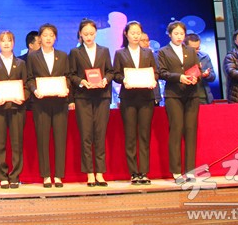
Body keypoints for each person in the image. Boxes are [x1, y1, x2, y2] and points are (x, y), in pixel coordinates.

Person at [112, 21, 158, 185]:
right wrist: (125, 79)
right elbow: (116, 74)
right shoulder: (120, 53)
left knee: (144, 135)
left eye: (138, 33)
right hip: (128, 99)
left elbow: (156, 72)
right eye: (133, 33)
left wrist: (153, 79)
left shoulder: (148, 52)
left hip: (146, 98)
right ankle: (133, 172)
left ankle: (144, 172)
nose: (136, 36)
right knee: (130, 136)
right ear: (126, 34)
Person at [69, 18, 113, 187]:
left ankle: (100, 173)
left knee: (100, 135)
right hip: (83, 97)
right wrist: (81, 81)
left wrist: (105, 80)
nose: (88, 37)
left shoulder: (104, 50)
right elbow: (71, 74)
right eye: (85, 34)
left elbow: (110, 71)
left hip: (102, 96)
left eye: (91, 33)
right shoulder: (75, 52)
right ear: (80, 34)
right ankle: (89, 173)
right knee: (86, 135)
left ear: (96, 34)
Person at [26, 23, 70, 188]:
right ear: (40, 38)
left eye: (51, 35)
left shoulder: (63, 56)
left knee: (60, 139)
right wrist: (34, 90)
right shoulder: (33, 57)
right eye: (45, 35)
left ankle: (58, 175)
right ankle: (46, 175)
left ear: (55, 38)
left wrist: (66, 88)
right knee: (43, 139)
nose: (48, 38)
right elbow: (29, 78)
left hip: (60, 102)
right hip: (41, 103)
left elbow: (67, 76)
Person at [157, 20, 200, 185]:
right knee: (176, 130)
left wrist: (195, 77)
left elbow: (196, 69)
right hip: (173, 95)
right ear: (169, 34)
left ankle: (190, 171)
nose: (179, 36)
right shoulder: (163, 52)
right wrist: (180, 77)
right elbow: (162, 73)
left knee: (190, 131)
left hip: (191, 94)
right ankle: (176, 171)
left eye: (182, 34)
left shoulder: (190, 50)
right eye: (176, 34)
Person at [0, 30, 28, 189]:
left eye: (9, 40)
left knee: (17, 144)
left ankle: (15, 176)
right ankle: (3, 176)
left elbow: (26, 85)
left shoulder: (21, 63)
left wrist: (22, 97)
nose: (6, 43)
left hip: (17, 108)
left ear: (14, 43)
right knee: (0, 144)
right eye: (3, 40)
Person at [185, 33, 216, 104]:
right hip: (186, 97)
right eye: (193, 49)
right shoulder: (179, 58)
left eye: (198, 48)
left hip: (202, 97)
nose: (196, 51)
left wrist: (206, 75)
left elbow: (213, 77)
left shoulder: (204, 57)